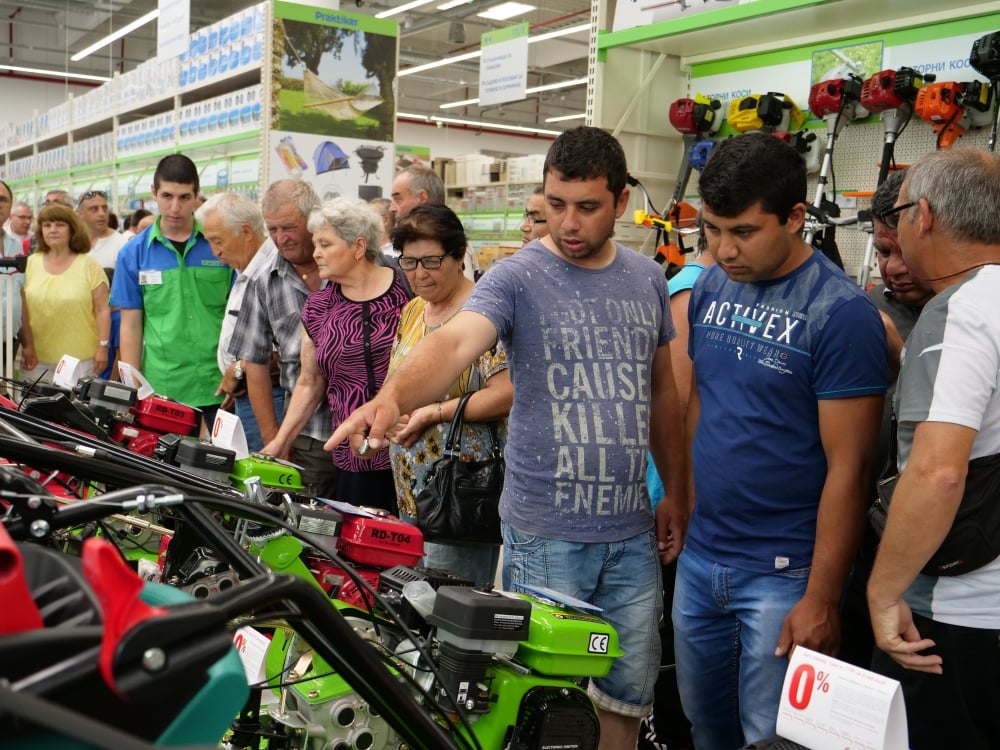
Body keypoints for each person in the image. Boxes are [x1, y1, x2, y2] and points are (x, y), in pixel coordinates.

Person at [328, 126, 688, 750]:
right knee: (537, 708)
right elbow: (454, 341)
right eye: (555, 205)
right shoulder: (517, 277)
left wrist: (676, 491)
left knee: (626, 700)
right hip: (546, 537)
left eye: (587, 207)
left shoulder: (646, 279)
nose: (567, 223)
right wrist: (391, 398)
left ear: (622, 201)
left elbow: (661, 393)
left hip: (630, 535)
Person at [673, 132, 887, 749]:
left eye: (743, 231)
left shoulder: (840, 314)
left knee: (771, 737)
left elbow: (851, 469)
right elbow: (703, 404)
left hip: (785, 572)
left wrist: (821, 595)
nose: (723, 248)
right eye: (712, 229)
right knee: (704, 724)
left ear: (796, 218)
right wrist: (682, 502)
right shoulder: (712, 287)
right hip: (703, 559)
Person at [866, 148, 1000, 750]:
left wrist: (884, 591)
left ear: (922, 215)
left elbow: (937, 470)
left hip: (959, 617)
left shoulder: (963, 312)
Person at [386, 204, 513, 587]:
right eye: (409, 262)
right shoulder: (413, 312)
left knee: (450, 608)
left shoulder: (484, 314)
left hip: (462, 495)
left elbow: (504, 395)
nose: (419, 274)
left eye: (431, 261)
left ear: (460, 256)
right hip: (412, 493)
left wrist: (432, 413)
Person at [262, 198, 410, 510]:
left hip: (411, 447)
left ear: (358, 247)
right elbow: (308, 382)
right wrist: (280, 443)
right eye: (316, 244)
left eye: (325, 244)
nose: (315, 253)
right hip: (355, 456)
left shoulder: (407, 288)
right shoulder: (318, 307)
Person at [230, 179, 336, 498]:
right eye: (273, 229)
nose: (281, 238)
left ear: (313, 218)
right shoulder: (264, 281)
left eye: (289, 227)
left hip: (369, 435)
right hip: (309, 436)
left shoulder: (350, 266)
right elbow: (254, 363)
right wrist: (276, 439)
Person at [111, 154, 231, 428]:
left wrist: (237, 375)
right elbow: (130, 326)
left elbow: (238, 312)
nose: (175, 207)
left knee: (220, 466)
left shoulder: (219, 243)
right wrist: (135, 390)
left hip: (220, 385)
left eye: (184, 197)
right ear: (153, 193)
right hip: (163, 388)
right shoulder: (133, 252)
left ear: (197, 195)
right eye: (167, 196)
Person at [197, 193, 275, 452]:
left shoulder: (270, 272)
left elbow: (291, 348)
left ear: (245, 231)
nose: (215, 251)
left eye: (218, 241)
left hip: (269, 396)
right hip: (246, 392)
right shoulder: (244, 270)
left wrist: (241, 370)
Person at [18, 205, 110, 382]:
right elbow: (23, 311)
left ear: (72, 230)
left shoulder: (89, 264)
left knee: (76, 409)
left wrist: (103, 347)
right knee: (34, 408)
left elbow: (102, 310)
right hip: (36, 360)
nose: (52, 230)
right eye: (47, 225)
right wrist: (28, 346)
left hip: (81, 361)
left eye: (59, 225)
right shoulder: (29, 264)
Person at [0, 182, 24, 371]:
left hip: (9, 341)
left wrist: (28, 343)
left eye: (3, 200)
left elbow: (20, 295)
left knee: (5, 396)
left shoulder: (15, 246)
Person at [77, 190, 128, 270]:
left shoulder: (122, 244)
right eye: (94, 209)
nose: (101, 213)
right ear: (80, 213)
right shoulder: (73, 244)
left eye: (104, 208)